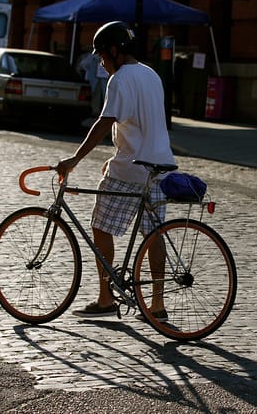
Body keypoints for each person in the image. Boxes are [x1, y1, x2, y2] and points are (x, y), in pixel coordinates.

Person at [56, 21, 175, 320]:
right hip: (159, 165)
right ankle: (157, 305)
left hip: (131, 169)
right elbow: (142, 124)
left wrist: (74, 159)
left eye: (101, 55)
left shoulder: (120, 79)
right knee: (154, 234)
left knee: (101, 226)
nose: (101, 61)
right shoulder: (151, 75)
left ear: (114, 51)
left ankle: (106, 298)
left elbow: (104, 122)